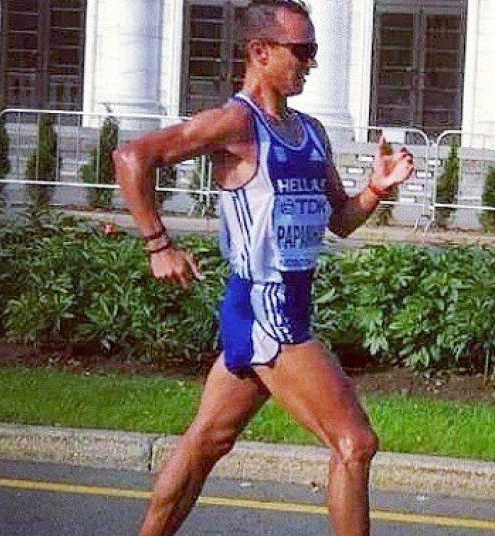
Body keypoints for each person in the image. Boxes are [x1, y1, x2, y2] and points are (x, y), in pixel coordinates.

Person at [112, 1, 416, 535]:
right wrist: (158, 245)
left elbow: (341, 221)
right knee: (355, 442)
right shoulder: (235, 122)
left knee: (208, 442)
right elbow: (132, 157)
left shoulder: (311, 132)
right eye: (302, 51)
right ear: (260, 52)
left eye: (313, 50)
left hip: (280, 307)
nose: (311, 62)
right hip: (265, 310)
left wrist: (375, 189)